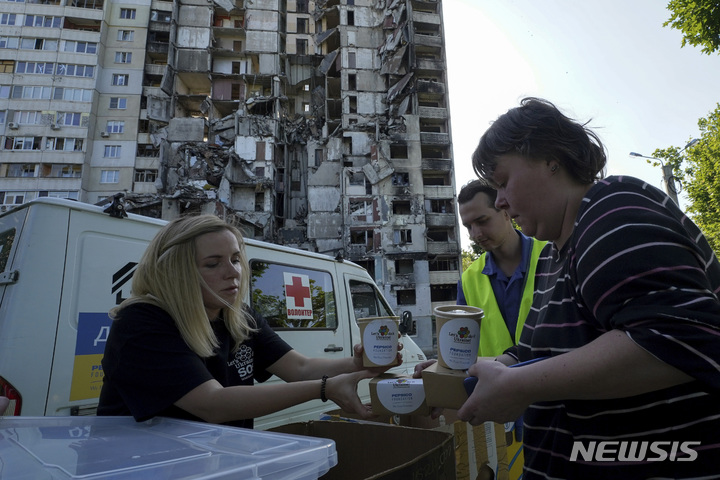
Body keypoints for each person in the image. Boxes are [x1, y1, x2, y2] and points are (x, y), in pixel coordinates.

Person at [458, 97, 720, 478]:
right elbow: (534, 353)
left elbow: (678, 339)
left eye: (503, 182)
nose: (500, 200)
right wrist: (464, 373)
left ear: (551, 159)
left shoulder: (612, 210)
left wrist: (520, 385)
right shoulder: (554, 254)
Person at [98, 214, 395, 428]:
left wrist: (360, 364)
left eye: (236, 259)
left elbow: (299, 368)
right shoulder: (142, 322)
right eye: (213, 263)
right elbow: (211, 405)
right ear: (175, 272)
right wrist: (325, 388)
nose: (233, 272)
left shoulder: (238, 317)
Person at [457, 178, 546, 360]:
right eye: (468, 227)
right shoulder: (467, 280)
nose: (475, 234)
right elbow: (461, 347)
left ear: (506, 211)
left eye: (482, 221)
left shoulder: (552, 255)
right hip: (493, 387)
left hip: (553, 383)